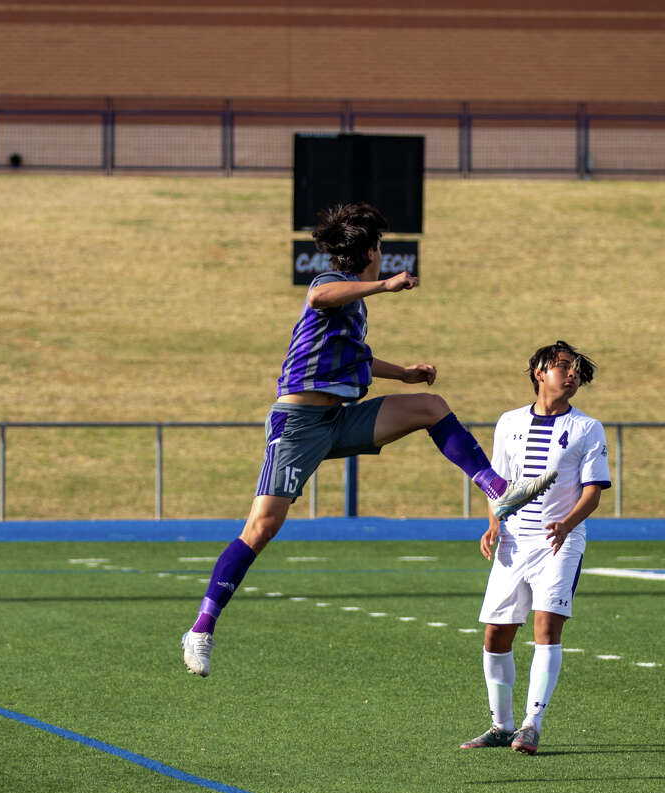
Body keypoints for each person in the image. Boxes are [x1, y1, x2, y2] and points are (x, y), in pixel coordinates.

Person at [181, 202, 556, 677]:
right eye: (380, 248)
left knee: (431, 407)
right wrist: (386, 285)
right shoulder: (327, 287)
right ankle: (201, 629)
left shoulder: (353, 307)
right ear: (368, 253)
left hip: (338, 420)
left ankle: (498, 491)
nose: (384, 255)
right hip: (297, 427)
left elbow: (359, 357)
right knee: (261, 529)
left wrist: (405, 374)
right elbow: (320, 298)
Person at [459, 340, 611, 755]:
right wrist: (493, 524)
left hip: (559, 542)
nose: (572, 373)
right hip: (513, 541)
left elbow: (594, 492)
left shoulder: (587, 428)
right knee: (495, 634)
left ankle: (531, 724)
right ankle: (500, 726)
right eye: (563, 365)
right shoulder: (508, 422)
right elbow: (499, 484)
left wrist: (567, 524)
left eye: (576, 368)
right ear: (538, 372)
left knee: (547, 629)